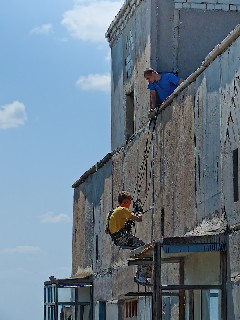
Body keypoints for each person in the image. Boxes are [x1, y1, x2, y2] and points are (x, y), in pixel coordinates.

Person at [105, 191, 152, 285]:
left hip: (117, 239)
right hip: (123, 237)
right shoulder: (123, 210)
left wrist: (124, 225)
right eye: (129, 203)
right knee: (144, 249)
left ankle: (141, 274)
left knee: (139, 249)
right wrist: (139, 212)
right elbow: (139, 219)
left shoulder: (111, 213)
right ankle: (141, 275)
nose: (130, 205)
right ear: (125, 201)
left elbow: (107, 230)